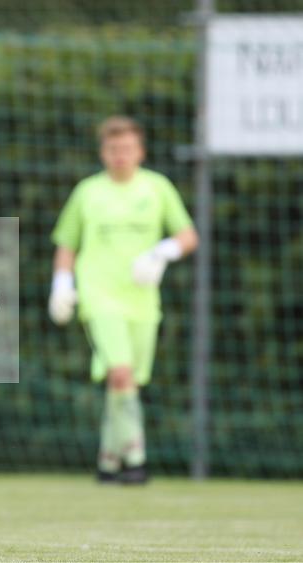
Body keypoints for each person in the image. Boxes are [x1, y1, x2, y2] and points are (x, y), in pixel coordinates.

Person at [48, 115, 198, 485]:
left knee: (126, 382)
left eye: (127, 149)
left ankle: (108, 460)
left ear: (140, 151)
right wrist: (62, 283)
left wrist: (162, 253)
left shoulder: (158, 188)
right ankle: (135, 460)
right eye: (114, 149)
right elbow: (67, 244)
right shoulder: (88, 192)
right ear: (104, 152)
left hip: (143, 301)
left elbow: (188, 235)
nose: (120, 156)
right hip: (99, 296)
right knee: (121, 373)